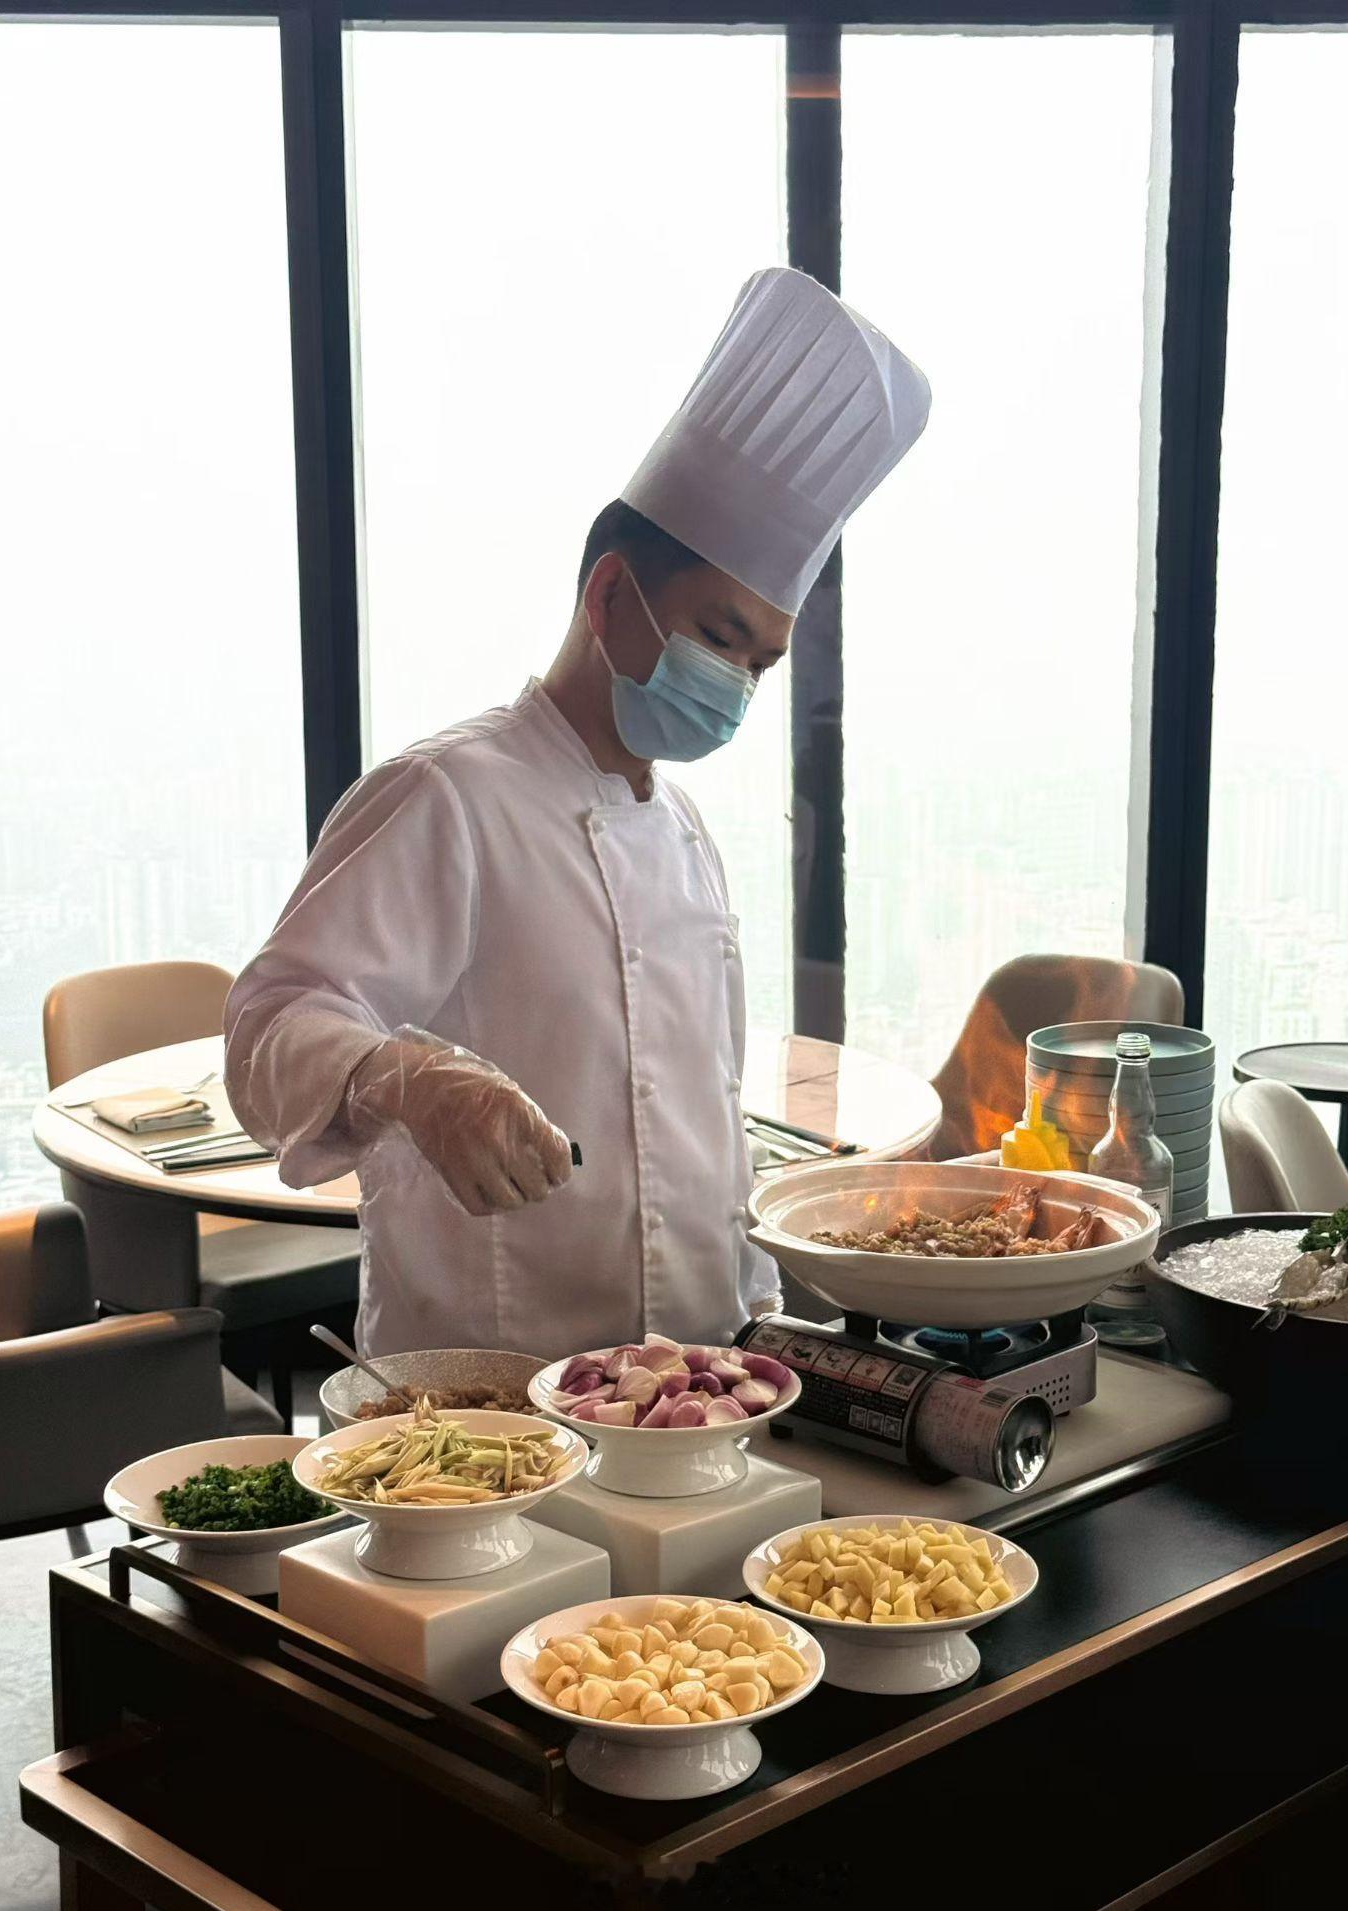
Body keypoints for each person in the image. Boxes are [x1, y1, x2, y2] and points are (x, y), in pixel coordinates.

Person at [224, 267, 929, 1358]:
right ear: (607, 596)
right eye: (721, 636)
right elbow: (265, 1027)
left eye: (761, 662)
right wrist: (407, 1080)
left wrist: (754, 1319)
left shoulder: (685, 835)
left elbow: (706, 1130)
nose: (736, 684)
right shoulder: (446, 796)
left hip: (692, 1385)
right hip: (484, 1400)